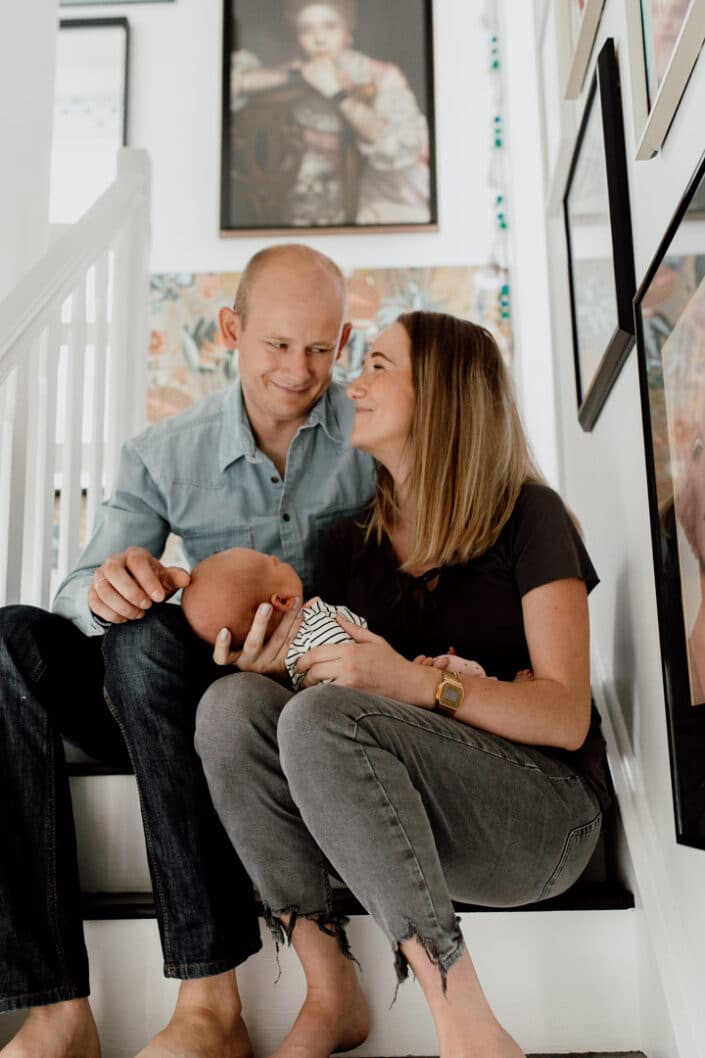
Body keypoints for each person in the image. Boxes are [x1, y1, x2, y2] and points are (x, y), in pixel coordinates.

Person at [194, 311, 610, 1058]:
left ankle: (468, 1028)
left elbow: (565, 717)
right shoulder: (346, 545)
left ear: (443, 394)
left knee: (323, 717)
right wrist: (280, 667)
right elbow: (335, 710)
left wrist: (416, 685)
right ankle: (332, 993)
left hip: (542, 820)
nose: (353, 382)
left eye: (379, 365)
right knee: (233, 708)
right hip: (399, 820)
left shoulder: (528, 517)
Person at [0, 244, 375, 1058]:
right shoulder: (164, 452)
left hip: (303, 697)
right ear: (232, 330)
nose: (297, 369)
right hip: (163, 702)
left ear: (341, 344)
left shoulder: (374, 435)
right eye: (276, 344)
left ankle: (211, 1004)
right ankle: (55, 1009)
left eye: (318, 347)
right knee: (15, 636)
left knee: (145, 653)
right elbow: (74, 592)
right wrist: (106, 587)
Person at [231, 0, 431, 226]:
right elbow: (231, 83)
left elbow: (398, 145)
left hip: (380, 197)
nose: (319, 39)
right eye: (307, 29)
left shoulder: (379, 74)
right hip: (307, 202)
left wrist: (337, 92)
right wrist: (296, 77)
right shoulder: (291, 72)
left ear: (348, 32)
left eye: (330, 26)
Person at [181, 546, 368, 690]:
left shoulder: (299, 655)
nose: (274, 556)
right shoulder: (320, 635)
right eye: (274, 563)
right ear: (283, 600)